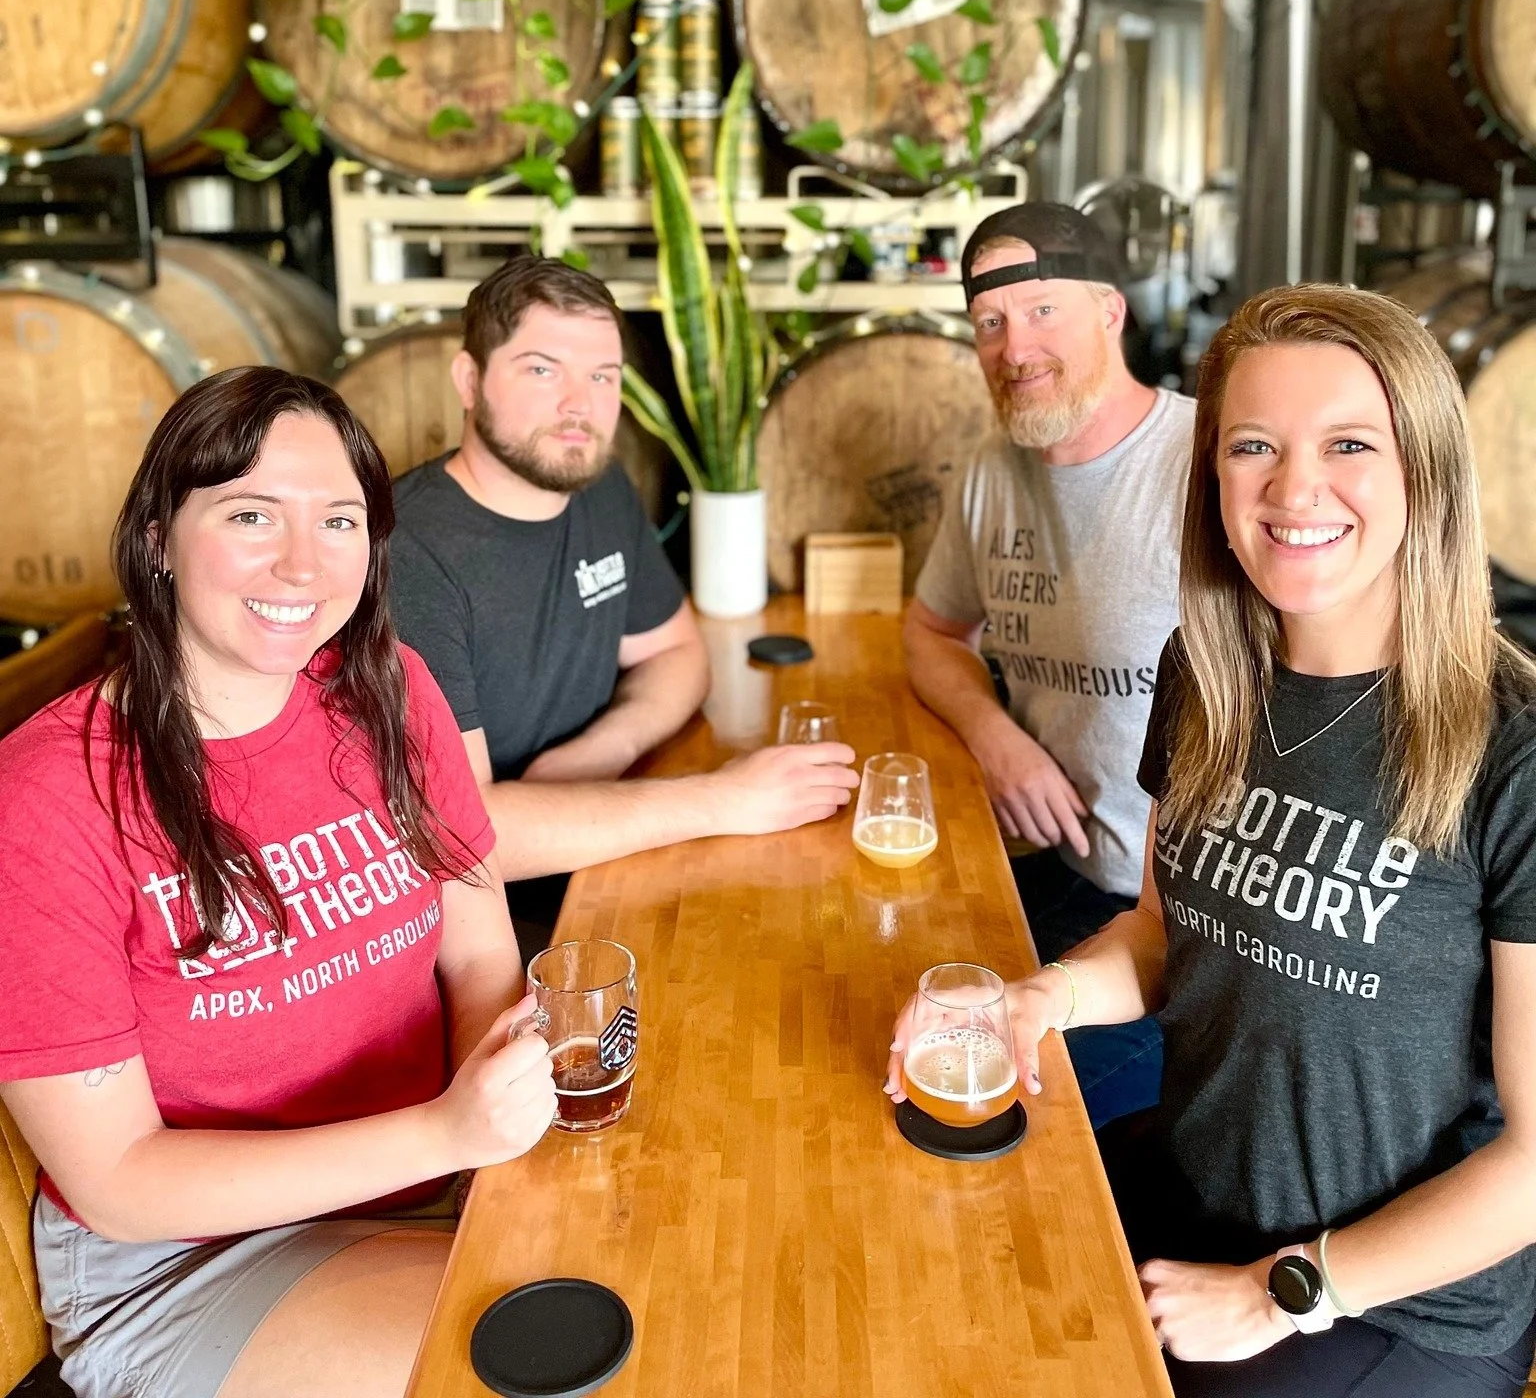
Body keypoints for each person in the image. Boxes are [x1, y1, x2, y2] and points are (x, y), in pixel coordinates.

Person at [892, 284, 1536, 1396]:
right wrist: (1037, 1000)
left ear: (1423, 470)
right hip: (1199, 1190)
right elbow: (1161, 930)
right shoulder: (1209, 670)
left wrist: (1288, 1290)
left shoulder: (1509, 752)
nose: (1294, 488)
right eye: (1252, 446)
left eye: (1348, 444)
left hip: (1391, 1297)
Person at [0, 368, 559, 1398]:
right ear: (159, 538)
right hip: (182, 1259)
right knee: (548, 1360)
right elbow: (118, 1183)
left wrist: (496, 1122)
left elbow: (477, 945)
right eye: (252, 514)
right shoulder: (47, 795)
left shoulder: (388, 689)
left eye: (340, 520)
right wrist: (444, 1131)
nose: (304, 563)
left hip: (417, 1183)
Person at [388, 255, 859, 952]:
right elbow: (462, 839)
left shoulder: (599, 490)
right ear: (469, 379)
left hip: (600, 859)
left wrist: (598, 751)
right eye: (543, 370)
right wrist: (724, 800)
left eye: (602, 377)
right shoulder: (407, 553)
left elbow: (676, 652)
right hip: (474, 935)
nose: (580, 405)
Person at [903, 202, 1193, 1124]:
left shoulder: (1205, 463)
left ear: (1110, 309)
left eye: (1041, 311)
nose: (1013, 345)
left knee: (1017, 1118)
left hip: (1177, 925)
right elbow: (931, 632)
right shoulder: (995, 470)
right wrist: (996, 736)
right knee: (895, 1030)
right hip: (1047, 872)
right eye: (989, 323)